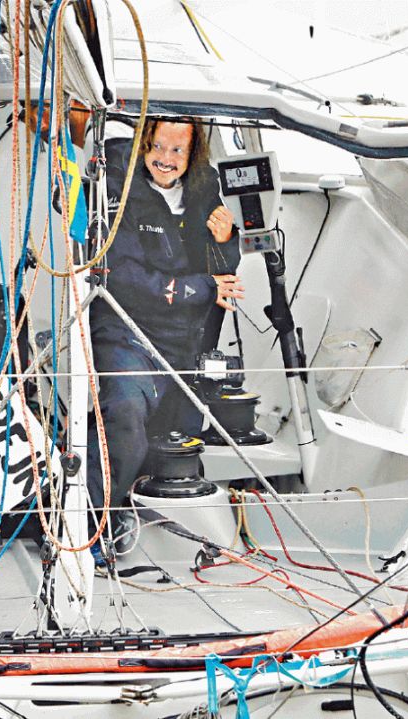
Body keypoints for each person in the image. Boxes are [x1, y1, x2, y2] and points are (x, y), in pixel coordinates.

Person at [87, 117, 243, 550]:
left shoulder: (204, 190)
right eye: (158, 147)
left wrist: (227, 240)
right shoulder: (116, 190)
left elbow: (224, 274)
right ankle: (92, 526)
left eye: (177, 150)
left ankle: (162, 526)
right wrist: (201, 288)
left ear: (193, 155)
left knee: (184, 433)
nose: (165, 159)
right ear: (144, 146)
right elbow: (121, 275)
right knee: (123, 413)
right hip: (126, 331)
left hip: (184, 340)